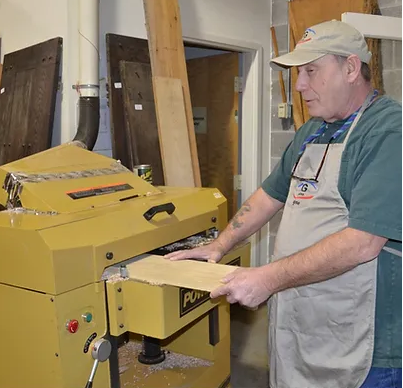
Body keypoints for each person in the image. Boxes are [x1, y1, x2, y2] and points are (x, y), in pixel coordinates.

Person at [165, 20, 402, 388]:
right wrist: (218, 245)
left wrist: (266, 278)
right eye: (297, 73)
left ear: (351, 68)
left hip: (364, 341)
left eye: (311, 71)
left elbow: (362, 242)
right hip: (305, 319)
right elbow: (270, 195)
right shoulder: (313, 130)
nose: (300, 85)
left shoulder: (387, 132)